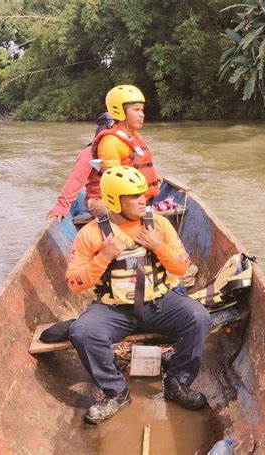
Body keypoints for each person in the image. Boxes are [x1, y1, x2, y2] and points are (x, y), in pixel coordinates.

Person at [65, 166, 210, 424]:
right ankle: (116, 393)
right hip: (114, 309)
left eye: (143, 194)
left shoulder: (160, 224)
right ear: (114, 200)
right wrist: (104, 256)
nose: (143, 199)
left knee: (198, 317)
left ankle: (177, 382)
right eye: (133, 196)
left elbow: (182, 267)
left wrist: (159, 246)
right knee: (83, 332)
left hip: (160, 302)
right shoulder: (91, 234)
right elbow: (74, 282)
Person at [92, 85, 161, 201]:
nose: (142, 115)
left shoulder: (135, 136)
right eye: (136, 110)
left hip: (145, 200)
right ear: (120, 111)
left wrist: (154, 176)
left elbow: (141, 162)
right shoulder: (110, 141)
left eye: (142, 110)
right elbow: (112, 184)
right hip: (128, 206)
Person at [47, 112, 114, 222]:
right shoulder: (90, 152)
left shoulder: (128, 149)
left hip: (124, 200)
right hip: (99, 201)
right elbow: (76, 180)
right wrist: (61, 206)